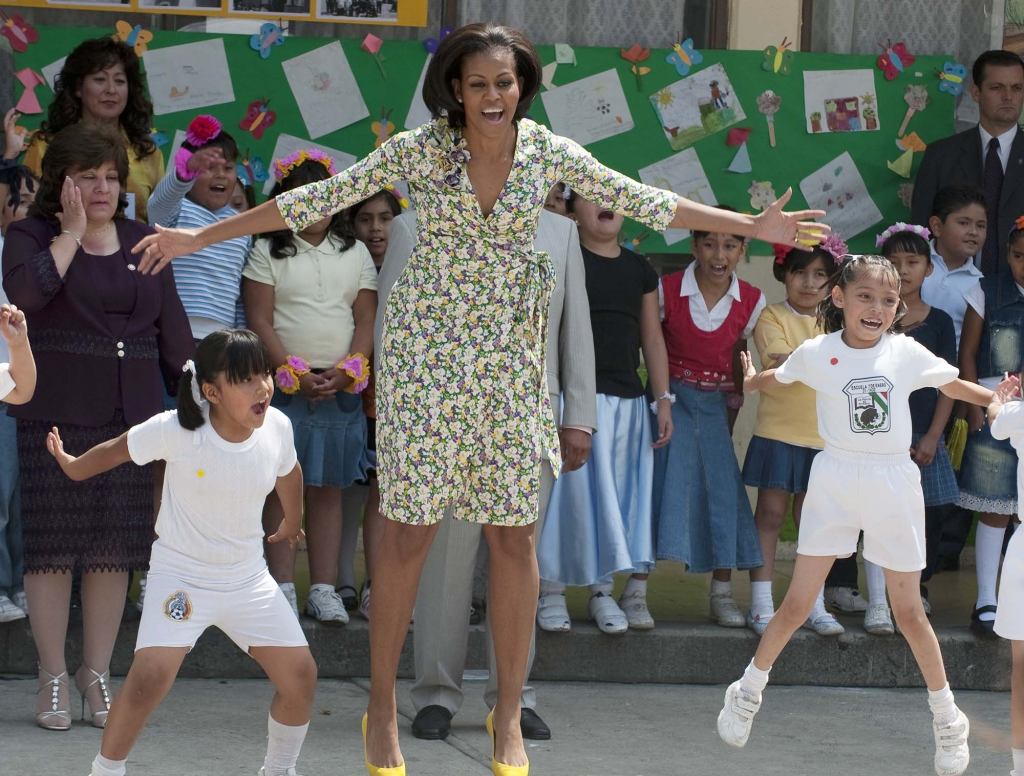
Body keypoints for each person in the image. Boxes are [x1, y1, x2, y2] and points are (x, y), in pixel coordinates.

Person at [130, 23, 826, 775]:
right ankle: (383, 712)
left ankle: (507, 716)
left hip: (511, 374)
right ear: (456, 91)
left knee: (514, 542)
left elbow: (646, 200)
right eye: (479, 83)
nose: (494, 95)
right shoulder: (423, 151)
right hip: (425, 373)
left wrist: (750, 225)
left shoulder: (547, 153)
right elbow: (322, 197)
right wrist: (195, 240)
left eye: (506, 82)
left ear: (522, 87)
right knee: (405, 539)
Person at [718, 255, 1005, 776]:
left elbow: (956, 387)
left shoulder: (906, 352)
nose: (876, 307)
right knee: (798, 604)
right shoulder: (817, 351)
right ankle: (748, 689)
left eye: (888, 300)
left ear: (897, 309)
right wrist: (752, 381)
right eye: (865, 296)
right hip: (834, 479)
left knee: (908, 611)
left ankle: (947, 718)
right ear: (840, 299)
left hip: (894, 482)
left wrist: (998, 401)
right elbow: (777, 377)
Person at [44, 329, 315, 776]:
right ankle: (105, 771)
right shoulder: (176, 430)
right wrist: (74, 467)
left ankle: (279, 770)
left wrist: (290, 519)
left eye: (264, 374)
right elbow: (119, 449)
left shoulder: (279, 428)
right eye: (246, 379)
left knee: (301, 677)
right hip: (181, 579)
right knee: (148, 678)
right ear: (211, 391)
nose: (262, 386)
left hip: (248, 580)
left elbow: (290, 471)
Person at [2, 124, 192, 731]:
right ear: (63, 183)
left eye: (111, 176)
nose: (104, 187)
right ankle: (53, 675)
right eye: (89, 177)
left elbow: (174, 333)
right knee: (52, 553)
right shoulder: (31, 235)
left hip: (131, 417)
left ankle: (97, 673)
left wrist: (199, 395)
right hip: (54, 412)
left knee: (114, 552)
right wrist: (73, 235)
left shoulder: (145, 240)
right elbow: (24, 296)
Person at [382, 199, 594, 742]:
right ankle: (434, 694)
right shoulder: (416, 225)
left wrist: (579, 418)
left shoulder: (560, 232)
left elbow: (575, 329)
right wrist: (401, 417)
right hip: (440, 421)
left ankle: (513, 701)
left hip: (526, 417)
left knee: (518, 558)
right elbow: (391, 330)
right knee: (444, 563)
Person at [243, 150, 377, 623]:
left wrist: (350, 368)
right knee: (279, 489)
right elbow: (259, 319)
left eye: (322, 199)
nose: (312, 209)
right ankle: (279, 587)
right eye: (300, 199)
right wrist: (291, 374)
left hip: (340, 388)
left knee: (328, 490)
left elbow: (365, 318)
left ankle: (322, 589)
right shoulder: (265, 251)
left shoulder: (355, 251)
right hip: (284, 392)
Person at [536, 190, 669, 634]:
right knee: (565, 498)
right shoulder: (562, 259)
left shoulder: (640, 270)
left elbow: (652, 339)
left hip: (627, 402)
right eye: (592, 197)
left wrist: (661, 398)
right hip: (574, 400)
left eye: (613, 196)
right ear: (573, 211)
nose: (605, 204)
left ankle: (601, 592)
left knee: (614, 500)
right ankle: (549, 591)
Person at [652, 211, 765, 627]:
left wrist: (735, 406)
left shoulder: (753, 301)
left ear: (742, 250)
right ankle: (634, 589)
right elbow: (651, 347)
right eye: (710, 244)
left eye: (730, 245)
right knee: (659, 487)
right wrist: (661, 400)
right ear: (694, 246)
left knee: (724, 493)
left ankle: (721, 593)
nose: (720, 255)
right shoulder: (665, 291)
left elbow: (741, 358)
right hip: (673, 401)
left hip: (718, 406)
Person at [742, 241, 840, 636]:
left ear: (832, 281)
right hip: (778, 434)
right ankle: (762, 605)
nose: (809, 282)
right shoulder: (771, 316)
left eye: (820, 274)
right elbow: (781, 363)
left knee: (815, 523)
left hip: (825, 439)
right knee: (769, 516)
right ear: (784, 273)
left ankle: (811, 605)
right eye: (801, 271)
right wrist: (827, 358)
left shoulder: (838, 321)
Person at [879, 223, 961, 619]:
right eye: (894, 263)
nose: (903, 270)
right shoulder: (874, 319)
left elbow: (949, 384)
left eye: (913, 261)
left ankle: (917, 585)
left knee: (930, 511)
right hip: (879, 435)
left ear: (930, 268)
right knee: (874, 515)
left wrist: (933, 435)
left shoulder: (941, 322)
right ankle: (865, 591)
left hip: (924, 435)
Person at [957, 217, 1024, 636]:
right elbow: (968, 351)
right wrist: (974, 405)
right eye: (1019, 256)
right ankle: (986, 600)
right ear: (1007, 254)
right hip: (993, 406)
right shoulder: (986, 290)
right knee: (994, 507)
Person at [339, 186, 404, 618]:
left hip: (395, 398)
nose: (376, 229)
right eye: (365, 220)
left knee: (385, 493)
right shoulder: (343, 264)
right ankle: (340, 581)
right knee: (345, 489)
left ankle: (377, 588)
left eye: (385, 218)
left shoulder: (415, 265)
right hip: (345, 391)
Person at [24, 37, 164, 223]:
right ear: (78, 88)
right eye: (100, 79)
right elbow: (25, 208)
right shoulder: (45, 145)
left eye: (120, 81)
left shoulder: (147, 152)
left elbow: (162, 217)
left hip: (132, 249)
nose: (111, 90)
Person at [912, 49, 1024, 276]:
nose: (1008, 97)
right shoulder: (940, 155)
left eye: (1017, 88)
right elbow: (921, 233)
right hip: (950, 292)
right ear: (975, 92)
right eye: (997, 87)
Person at [147, 114, 248, 342]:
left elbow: (242, 291)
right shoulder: (177, 209)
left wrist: (243, 340)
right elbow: (159, 205)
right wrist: (184, 173)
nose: (220, 174)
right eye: (209, 167)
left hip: (222, 340)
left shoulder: (241, 226)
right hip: (170, 329)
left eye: (228, 167)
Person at [0, 158, 38, 623]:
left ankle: (23, 583)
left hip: (32, 385)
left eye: (32, 199)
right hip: (4, 385)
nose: (27, 207)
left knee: (24, 495)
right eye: (18, 199)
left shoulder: (38, 255)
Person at [985, 374, 1024, 776]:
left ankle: (1020, 767)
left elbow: (995, 415)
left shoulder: (1017, 415)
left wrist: (1000, 398)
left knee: (1022, 670)